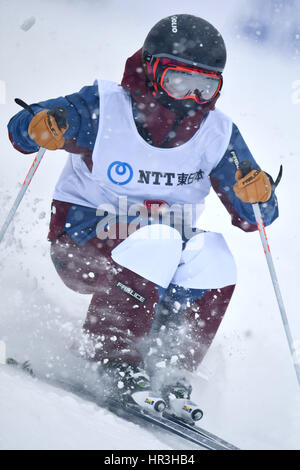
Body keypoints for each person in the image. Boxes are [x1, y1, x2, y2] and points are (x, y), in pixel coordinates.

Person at [8, 14, 278, 419]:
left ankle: (171, 365)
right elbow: (23, 130)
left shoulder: (217, 133)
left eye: (205, 88)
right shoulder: (105, 107)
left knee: (213, 254)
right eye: (178, 81)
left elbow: (254, 215)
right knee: (159, 240)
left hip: (158, 256)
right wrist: (39, 126)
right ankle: (109, 356)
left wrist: (257, 197)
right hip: (83, 240)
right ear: (152, 70)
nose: (190, 99)